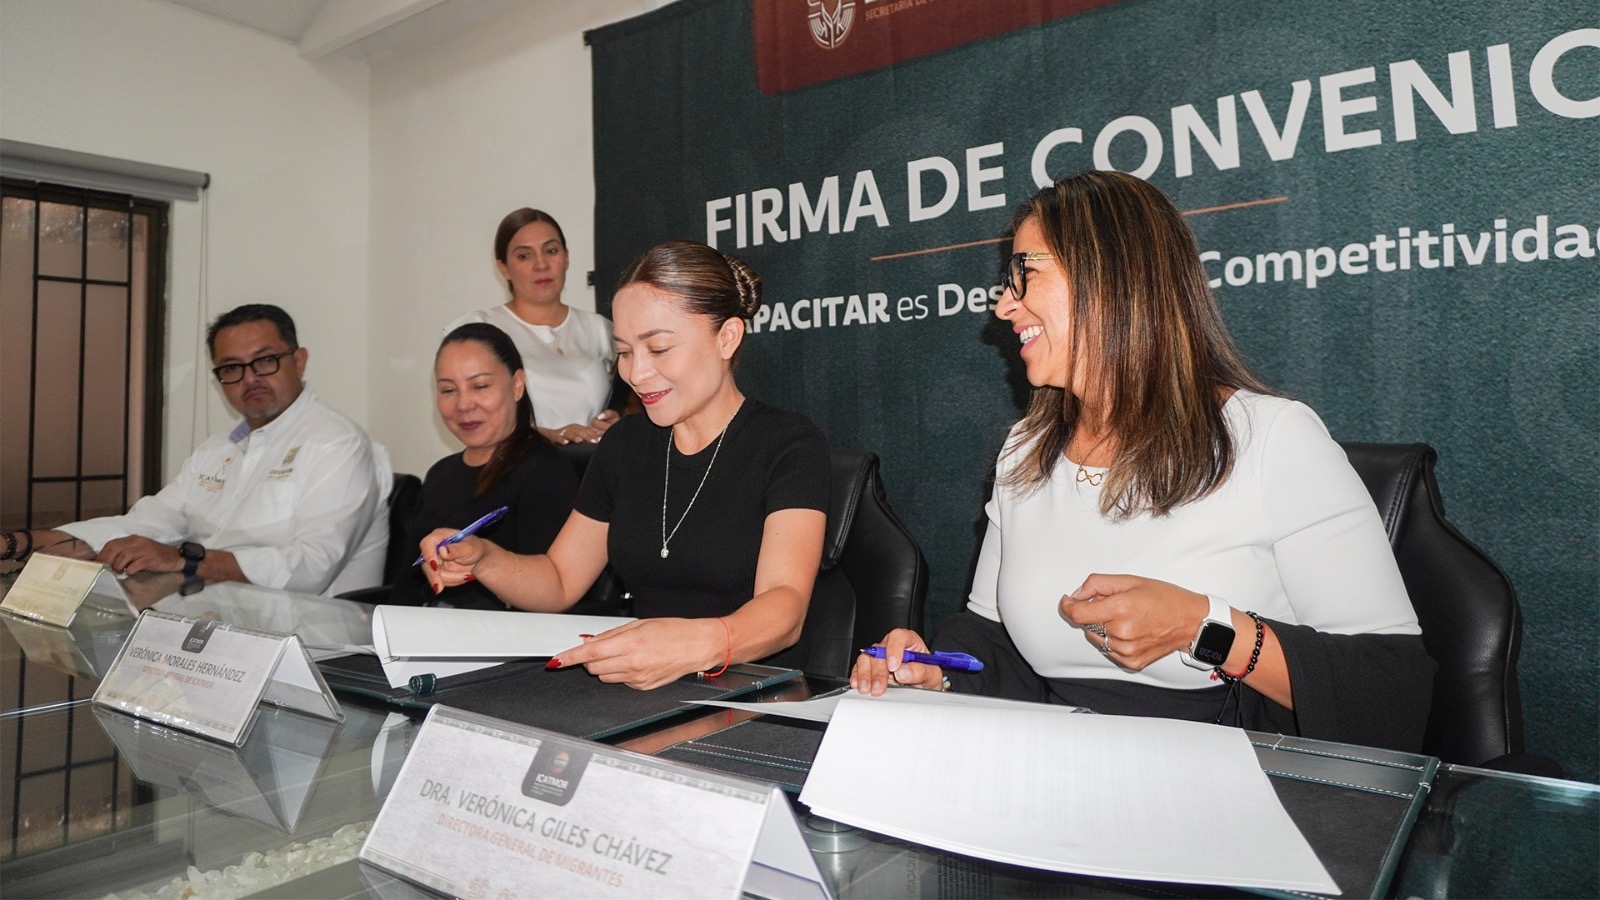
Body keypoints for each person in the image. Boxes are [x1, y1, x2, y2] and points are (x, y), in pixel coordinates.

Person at [851, 171, 1435, 752]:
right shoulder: (1025, 450)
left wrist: (1202, 626)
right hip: (1060, 769)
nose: (1004, 306)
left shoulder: (1273, 437)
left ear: (1110, 277)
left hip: (1235, 778)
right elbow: (996, 646)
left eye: (1024, 274)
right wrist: (939, 672)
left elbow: (1392, 692)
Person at [422, 240, 830, 690]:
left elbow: (785, 607)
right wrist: (484, 559)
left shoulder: (788, 443)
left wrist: (689, 646)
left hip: (756, 694)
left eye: (658, 348)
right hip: (645, 692)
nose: (635, 373)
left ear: (727, 338)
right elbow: (560, 580)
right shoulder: (625, 446)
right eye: (625, 351)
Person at [1, 304, 392, 596]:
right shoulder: (219, 448)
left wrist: (183, 559)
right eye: (232, 368)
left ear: (299, 361)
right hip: (218, 627)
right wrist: (24, 542)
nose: (250, 379)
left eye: (265, 361)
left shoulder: (337, 444)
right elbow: (151, 521)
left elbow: (312, 567)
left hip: (316, 647)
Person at [389, 323, 579, 609]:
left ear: (517, 385)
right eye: (448, 390)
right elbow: (407, 588)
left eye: (480, 386)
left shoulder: (546, 472)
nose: (464, 404)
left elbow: (551, 593)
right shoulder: (440, 474)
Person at [446, 208, 625, 447]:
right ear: (503, 267)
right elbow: (467, 415)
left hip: (593, 465)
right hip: (516, 465)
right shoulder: (479, 330)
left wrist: (618, 423)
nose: (541, 264)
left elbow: (632, 404)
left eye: (551, 251)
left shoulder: (601, 330)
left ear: (566, 258)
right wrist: (543, 437)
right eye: (524, 256)